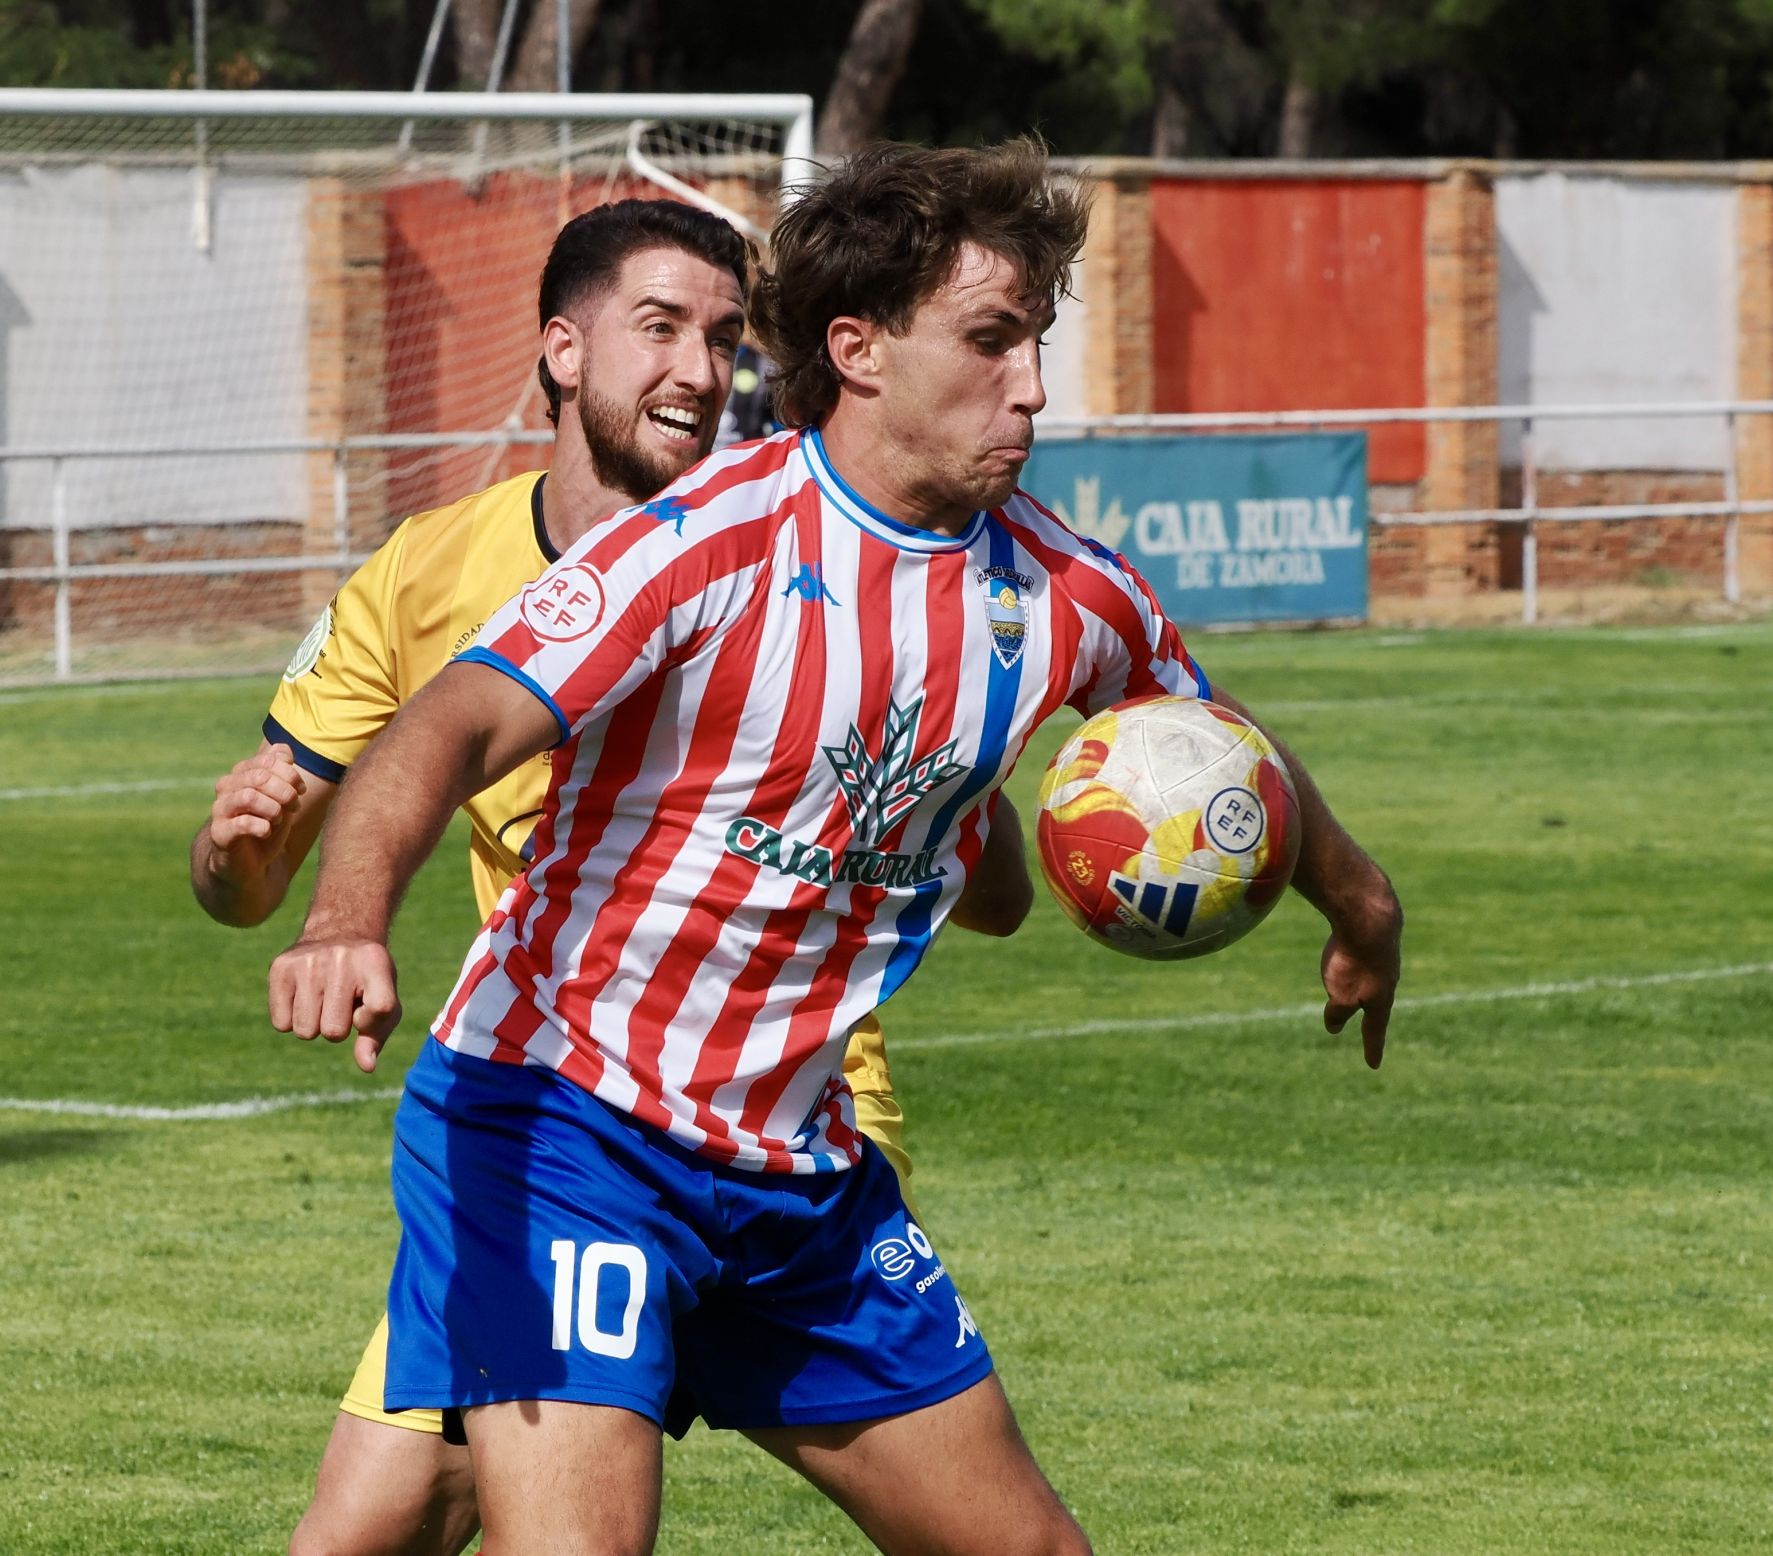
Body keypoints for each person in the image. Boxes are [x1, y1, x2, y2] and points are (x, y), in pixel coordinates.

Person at [267, 139, 1402, 1554]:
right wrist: (342, 917)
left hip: (796, 1169)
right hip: (561, 1120)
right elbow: (445, 726)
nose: (1035, 388)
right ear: (856, 349)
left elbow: (1228, 761)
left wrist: (1363, 903)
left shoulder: (1070, 593)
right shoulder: (700, 544)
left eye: (1037, 343)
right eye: (993, 342)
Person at [193, 198, 1029, 1556]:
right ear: (561, 351)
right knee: (371, 1527)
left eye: (723, 336)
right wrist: (250, 863)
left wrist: (944, 804)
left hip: (787, 1119)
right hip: (554, 1119)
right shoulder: (427, 572)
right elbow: (252, 873)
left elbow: (983, 878)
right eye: (661, 330)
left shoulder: (803, 547)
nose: (702, 371)